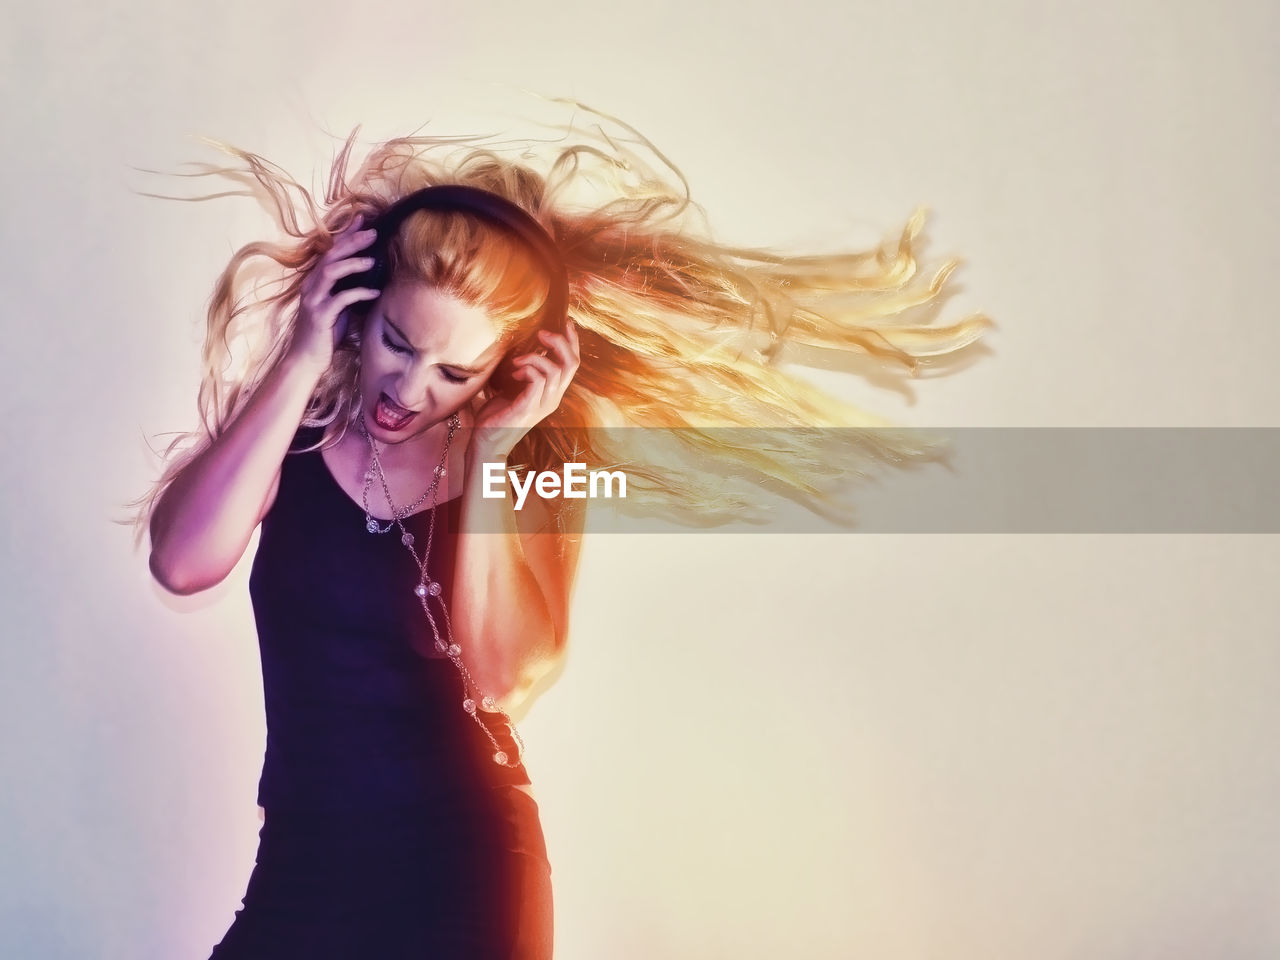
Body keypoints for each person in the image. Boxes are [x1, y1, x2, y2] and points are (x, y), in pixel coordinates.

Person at [129, 99, 990, 959]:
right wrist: (302, 354)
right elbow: (181, 562)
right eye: (398, 340)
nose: (410, 387)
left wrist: (494, 456)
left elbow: (506, 674)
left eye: (455, 370)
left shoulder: (523, 464)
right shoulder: (292, 428)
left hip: (463, 867)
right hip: (302, 860)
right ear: (360, 303)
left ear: (501, 368)